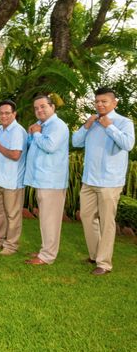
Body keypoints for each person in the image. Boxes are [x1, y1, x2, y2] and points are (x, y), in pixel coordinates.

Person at [72, 87, 135, 275]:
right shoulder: (92, 123)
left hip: (110, 181)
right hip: (89, 180)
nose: (100, 104)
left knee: (107, 222)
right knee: (86, 217)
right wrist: (87, 125)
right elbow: (75, 142)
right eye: (97, 101)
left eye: (104, 101)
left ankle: (104, 264)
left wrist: (109, 126)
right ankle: (94, 255)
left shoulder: (124, 122)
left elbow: (128, 144)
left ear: (114, 103)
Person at [24, 95, 69, 266]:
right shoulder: (42, 126)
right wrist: (33, 133)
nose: (39, 110)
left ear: (53, 107)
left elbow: (50, 146)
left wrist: (35, 133)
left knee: (50, 220)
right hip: (42, 179)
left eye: (43, 106)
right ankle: (45, 250)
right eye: (36, 108)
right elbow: (34, 147)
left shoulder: (58, 126)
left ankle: (47, 256)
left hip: (52, 181)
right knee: (45, 218)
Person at [0, 100, 27, 256]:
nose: (3, 116)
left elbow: (16, 155)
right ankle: (0, 240)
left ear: (14, 114)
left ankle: (11, 245)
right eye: (1, 113)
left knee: (12, 214)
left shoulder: (17, 131)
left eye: (7, 113)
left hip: (12, 181)